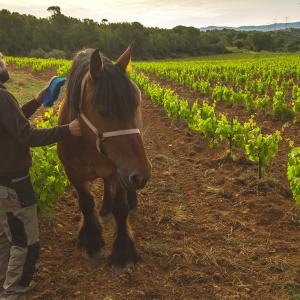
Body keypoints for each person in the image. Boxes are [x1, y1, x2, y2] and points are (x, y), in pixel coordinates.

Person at [0, 52, 81, 300]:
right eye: (0, 59)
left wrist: (37, 101)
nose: (3, 62)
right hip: (14, 186)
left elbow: (11, 124)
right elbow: (28, 136)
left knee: (6, 239)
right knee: (26, 245)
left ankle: (4, 284)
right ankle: (12, 293)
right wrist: (68, 129)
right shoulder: (3, 98)